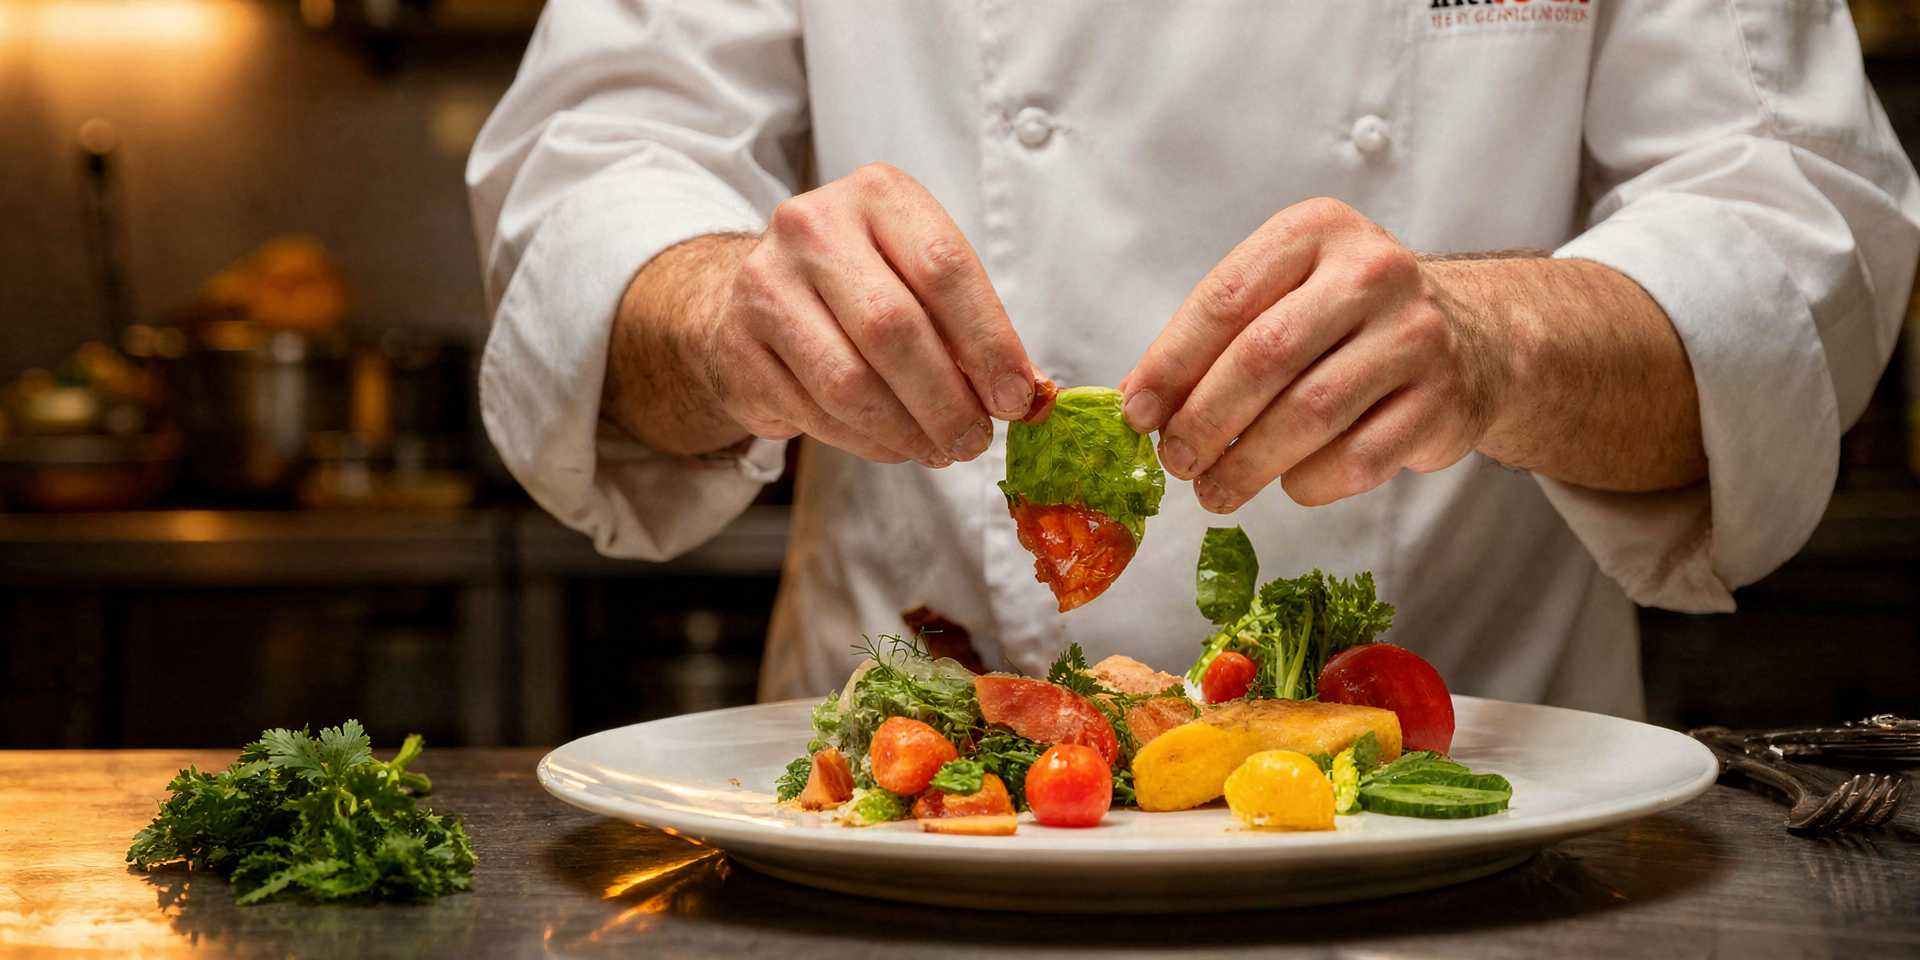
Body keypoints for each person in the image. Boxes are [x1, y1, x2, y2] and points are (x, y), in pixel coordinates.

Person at [467, 2, 1919, 719]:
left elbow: (1793, 221)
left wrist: (1500, 338)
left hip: (1467, 811)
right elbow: (597, 169)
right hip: (906, 819)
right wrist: (728, 309)